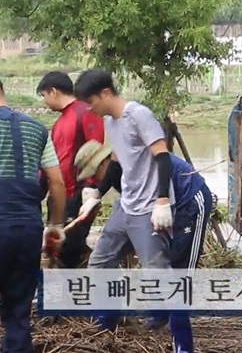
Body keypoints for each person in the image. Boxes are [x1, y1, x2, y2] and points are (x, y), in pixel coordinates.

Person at [73, 69, 201, 353]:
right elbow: (118, 163)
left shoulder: (138, 115)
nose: (90, 109)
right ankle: (105, 324)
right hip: (126, 206)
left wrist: (163, 200)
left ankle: (183, 342)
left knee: (159, 273)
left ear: (105, 93)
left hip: (147, 209)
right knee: (100, 262)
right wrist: (97, 193)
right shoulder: (110, 122)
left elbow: (163, 158)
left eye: (91, 101)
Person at [74, 139, 213, 331]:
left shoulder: (134, 161)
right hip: (150, 205)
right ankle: (108, 316)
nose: (96, 180)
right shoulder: (115, 175)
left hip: (187, 199)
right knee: (104, 261)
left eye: (95, 174)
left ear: (104, 163)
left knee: (179, 261)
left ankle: (176, 317)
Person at [0, 77, 67, 353]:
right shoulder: (37, 128)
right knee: (19, 310)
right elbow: (57, 184)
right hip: (26, 229)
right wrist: (55, 226)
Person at [36, 71, 106, 269]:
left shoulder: (85, 112)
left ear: (53, 91)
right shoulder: (59, 123)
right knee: (55, 247)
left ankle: (78, 291)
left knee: (70, 249)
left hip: (76, 194)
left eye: (44, 95)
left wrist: (90, 189)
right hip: (59, 195)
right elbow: (53, 160)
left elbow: (95, 152)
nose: (45, 102)